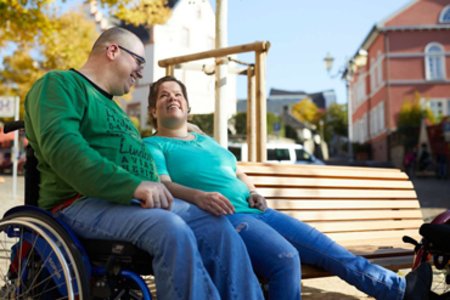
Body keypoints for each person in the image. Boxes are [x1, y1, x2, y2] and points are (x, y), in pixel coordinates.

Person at [24, 28, 263, 300]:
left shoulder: (116, 109)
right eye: (139, 62)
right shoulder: (60, 85)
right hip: (79, 202)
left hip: (132, 204)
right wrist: (134, 186)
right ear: (113, 51)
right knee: (171, 230)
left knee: (217, 226)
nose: (140, 72)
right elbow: (65, 151)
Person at [143, 75, 433, 300]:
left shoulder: (206, 141)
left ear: (188, 105)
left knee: (327, 249)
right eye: (164, 96)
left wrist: (255, 190)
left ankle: (396, 289)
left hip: (259, 212)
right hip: (227, 219)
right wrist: (200, 196)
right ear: (153, 110)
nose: (173, 99)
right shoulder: (153, 145)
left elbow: (237, 171)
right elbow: (163, 184)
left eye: (178, 94)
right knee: (286, 259)